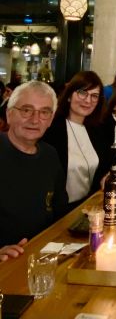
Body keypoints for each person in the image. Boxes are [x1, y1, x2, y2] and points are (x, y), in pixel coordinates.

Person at [0, 81, 68, 259]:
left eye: (44, 112)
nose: (35, 119)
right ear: (9, 114)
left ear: (51, 120)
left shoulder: (50, 155)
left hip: (43, 256)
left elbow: (60, 209)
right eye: (26, 110)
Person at [43, 71, 108, 210]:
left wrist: (106, 175)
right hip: (59, 212)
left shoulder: (96, 131)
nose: (88, 100)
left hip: (89, 206)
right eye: (82, 92)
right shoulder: (52, 129)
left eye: (94, 96)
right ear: (69, 96)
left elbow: (103, 165)